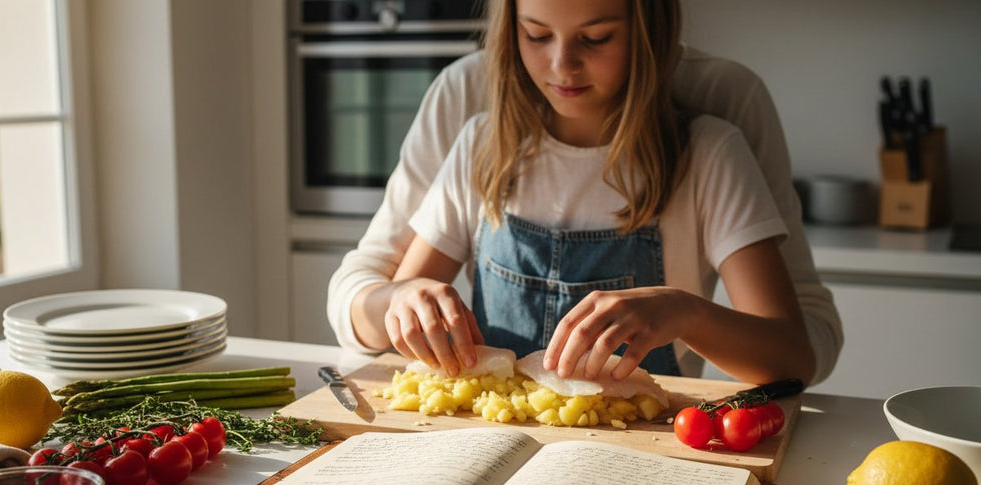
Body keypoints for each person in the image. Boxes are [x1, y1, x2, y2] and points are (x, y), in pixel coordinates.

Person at [328, 0, 842, 387]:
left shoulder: (710, 153)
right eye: (536, 35)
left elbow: (793, 355)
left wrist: (686, 312)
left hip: (640, 443)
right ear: (511, 33)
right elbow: (394, 296)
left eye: (595, 38)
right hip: (490, 435)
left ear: (648, 32)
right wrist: (398, 300)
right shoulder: (481, 143)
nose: (562, 65)